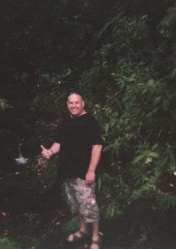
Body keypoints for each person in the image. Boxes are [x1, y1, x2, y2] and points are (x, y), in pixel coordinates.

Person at [41, 91, 103, 249]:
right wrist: (50, 151)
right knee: (77, 204)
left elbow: (97, 146)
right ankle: (83, 230)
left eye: (77, 102)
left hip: (83, 172)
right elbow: (59, 143)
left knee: (89, 205)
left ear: (83, 103)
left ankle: (95, 237)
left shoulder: (90, 122)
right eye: (71, 103)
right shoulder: (66, 122)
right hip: (68, 171)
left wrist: (91, 171)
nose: (74, 106)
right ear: (67, 104)